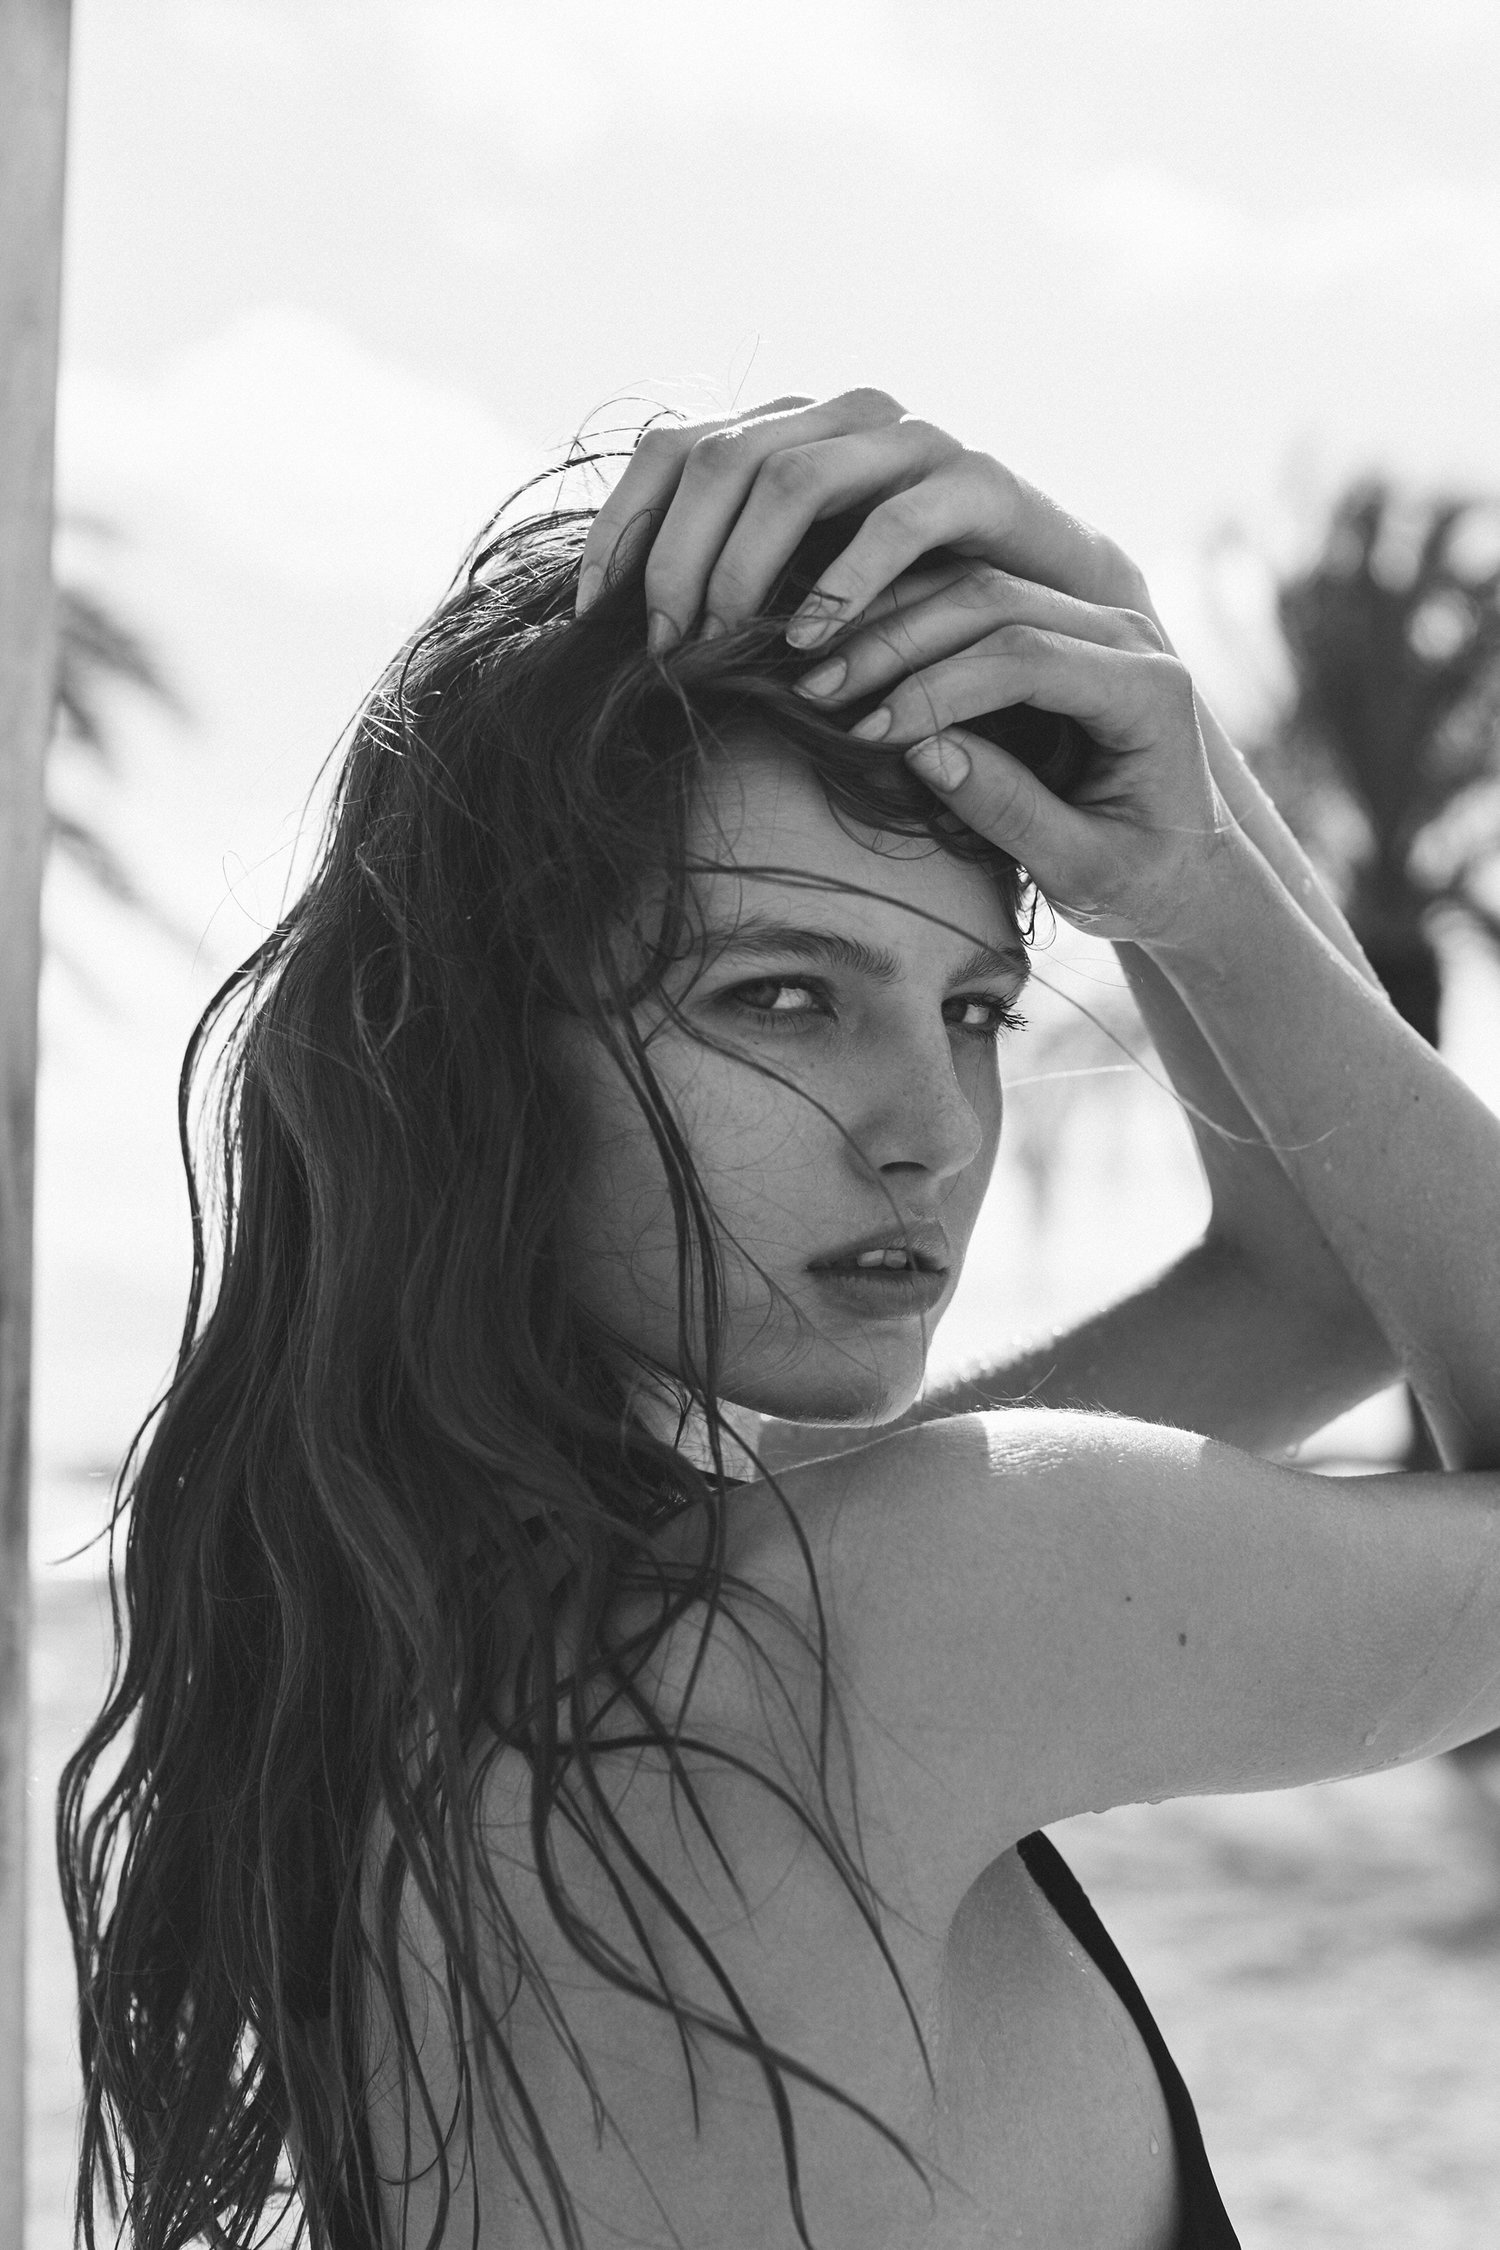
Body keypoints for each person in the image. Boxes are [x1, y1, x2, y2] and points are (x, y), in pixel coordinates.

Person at [59, 389, 1500, 2250]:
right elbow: (1347, 1275)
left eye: (974, 1009)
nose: (931, 1129)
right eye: (784, 997)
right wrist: (1196, 869)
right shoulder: (900, 1605)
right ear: (487, 1069)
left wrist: (1141, 705)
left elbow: (1315, 1289)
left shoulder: (416, 1662)